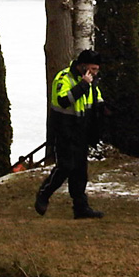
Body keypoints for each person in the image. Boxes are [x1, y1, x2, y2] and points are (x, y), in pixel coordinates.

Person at [34, 49, 105, 219]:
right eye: (93, 69)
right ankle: (43, 194)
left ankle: (81, 208)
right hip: (64, 131)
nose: (95, 73)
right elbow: (63, 101)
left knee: (80, 172)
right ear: (83, 67)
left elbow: (98, 102)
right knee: (65, 167)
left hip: (81, 132)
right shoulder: (64, 78)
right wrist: (83, 85)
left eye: (97, 70)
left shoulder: (91, 82)